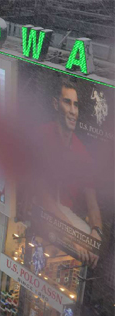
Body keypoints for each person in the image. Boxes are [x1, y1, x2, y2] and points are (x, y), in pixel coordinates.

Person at [34, 78, 104, 268]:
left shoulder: (83, 154)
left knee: (91, 245)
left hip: (65, 220)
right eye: (67, 102)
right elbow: (44, 198)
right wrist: (73, 237)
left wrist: (96, 232)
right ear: (56, 104)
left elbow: (93, 205)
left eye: (76, 105)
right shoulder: (41, 137)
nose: (73, 111)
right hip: (37, 215)